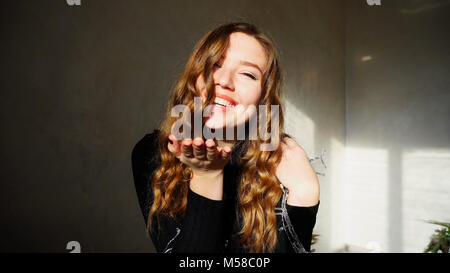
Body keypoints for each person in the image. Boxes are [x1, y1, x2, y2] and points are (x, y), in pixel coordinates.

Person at [131, 22, 320, 253]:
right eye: (214, 65)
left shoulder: (281, 162)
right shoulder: (152, 153)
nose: (224, 81)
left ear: (263, 98)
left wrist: (305, 197)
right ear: (194, 78)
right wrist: (208, 176)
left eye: (248, 74)